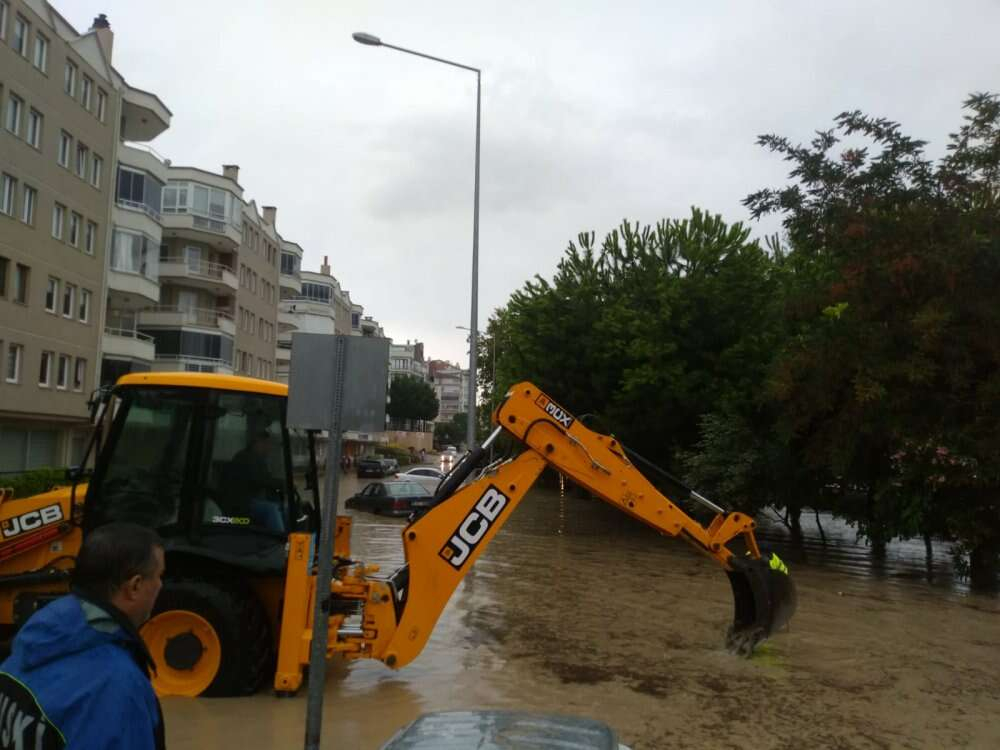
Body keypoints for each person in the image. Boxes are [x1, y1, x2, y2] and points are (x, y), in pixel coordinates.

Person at [0, 522, 166, 749]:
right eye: (159, 575)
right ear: (134, 586)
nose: (160, 584)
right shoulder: (116, 688)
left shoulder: (32, 640)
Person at [229, 431, 285, 532]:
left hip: (251, 499)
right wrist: (283, 484)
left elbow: (266, 479)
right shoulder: (247, 458)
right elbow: (261, 480)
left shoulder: (256, 458)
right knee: (271, 509)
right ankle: (280, 538)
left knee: (284, 508)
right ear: (258, 442)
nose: (269, 448)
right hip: (242, 503)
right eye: (267, 444)